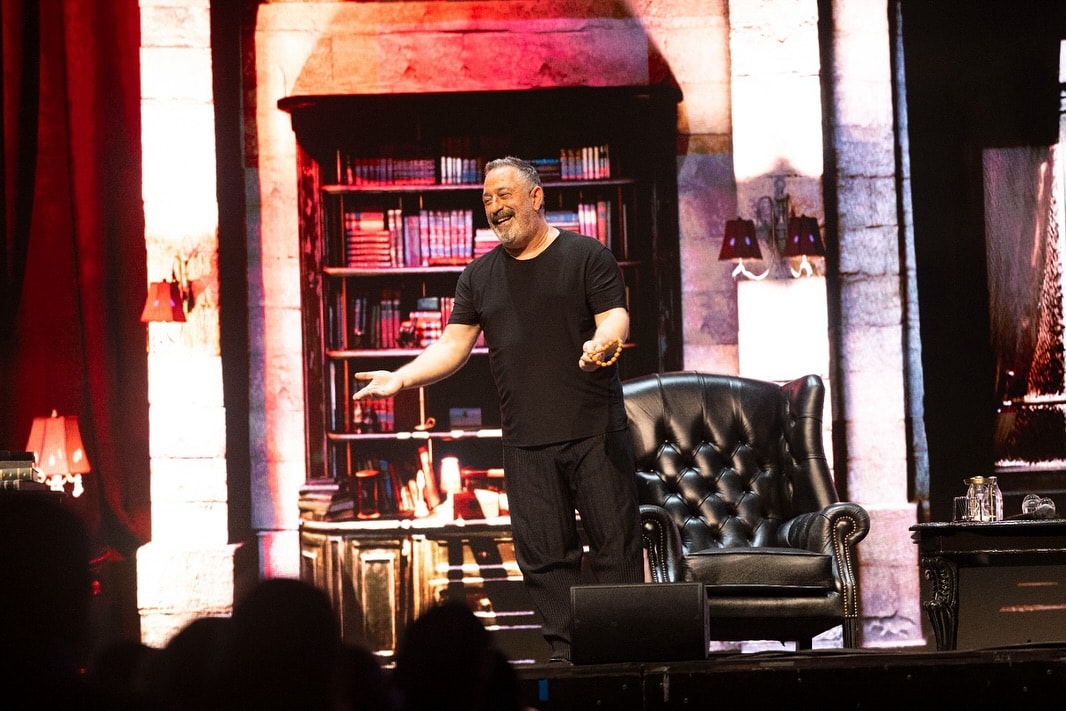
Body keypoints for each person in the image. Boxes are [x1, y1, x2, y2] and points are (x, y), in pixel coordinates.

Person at [353, 156, 645, 664]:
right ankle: (567, 658)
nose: (494, 207)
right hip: (525, 441)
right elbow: (453, 346)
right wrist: (400, 378)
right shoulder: (479, 277)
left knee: (615, 549)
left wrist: (604, 342)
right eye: (487, 199)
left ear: (536, 197)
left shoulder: (586, 255)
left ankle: (622, 659)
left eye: (504, 195)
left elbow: (614, 315)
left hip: (594, 432)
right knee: (545, 561)